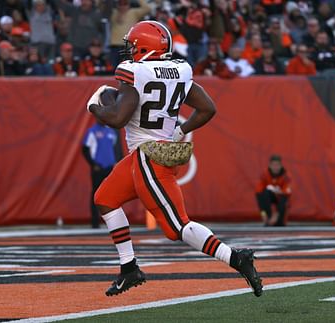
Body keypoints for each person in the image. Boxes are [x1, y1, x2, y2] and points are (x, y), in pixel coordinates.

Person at [86, 20, 262, 297]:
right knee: (105, 199)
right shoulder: (179, 70)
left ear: (144, 47)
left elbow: (118, 118)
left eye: (133, 45)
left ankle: (237, 258)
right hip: (148, 154)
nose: (129, 51)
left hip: (149, 158)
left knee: (176, 226)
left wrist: (94, 106)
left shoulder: (135, 71)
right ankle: (128, 267)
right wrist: (179, 130)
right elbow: (207, 108)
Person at [82, 120, 120, 228]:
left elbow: (115, 148)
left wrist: (116, 161)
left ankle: (112, 221)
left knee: (111, 194)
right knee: (96, 194)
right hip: (98, 168)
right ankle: (95, 221)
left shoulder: (111, 132)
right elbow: (85, 149)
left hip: (110, 167)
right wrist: (93, 164)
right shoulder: (92, 131)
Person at [255, 155, 292, 226]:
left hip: (281, 202)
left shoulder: (286, 176)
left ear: (281, 166)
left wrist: (276, 215)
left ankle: (278, 219)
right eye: (273, 165)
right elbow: (258, 193)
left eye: (277, 165)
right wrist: (263, 214)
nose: (275, 167)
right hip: (270, 200)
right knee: (264, 193)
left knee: (284, 199)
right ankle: (268, 218)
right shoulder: (265, 175)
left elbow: (287, 193)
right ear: (269, 166)